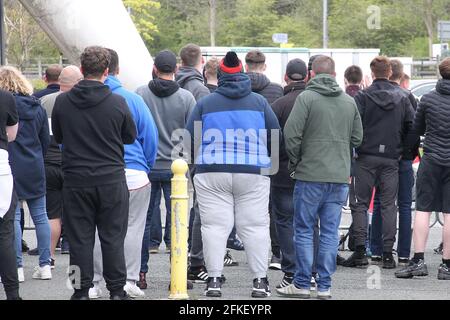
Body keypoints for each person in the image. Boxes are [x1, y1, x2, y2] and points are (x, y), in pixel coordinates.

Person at [186, 51, 280, 298]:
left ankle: (214, 280)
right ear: (242, 74)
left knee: (214, 227)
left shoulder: (205, 103)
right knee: (255, 226)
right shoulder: (259, 103)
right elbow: (276, 136)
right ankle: (260, 282)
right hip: (253, 171)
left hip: (212, 170)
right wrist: (270, 167)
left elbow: (189, 140)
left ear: (220, 76)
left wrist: (198, 165)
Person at [52, 46, 137, 300]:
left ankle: (80, 290)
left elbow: (59, 137)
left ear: (81, 70)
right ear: (107, 72)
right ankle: (117, 290)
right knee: (112, 238)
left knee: (79, 240)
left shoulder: (63, 102)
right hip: (110, 178)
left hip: (76, 179)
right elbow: (130, 136)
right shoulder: (117, 101)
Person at [279, 55, 363, 300]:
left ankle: (302, 283)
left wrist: (297, 161)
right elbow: (358, 138)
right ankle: (324, 286)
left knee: (304, 229)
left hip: (309, 175)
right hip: (338, 177)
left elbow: (291, 134)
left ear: (311, 75)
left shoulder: (306, 98)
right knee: (329, 231)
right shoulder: (349, 102)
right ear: (335, 75)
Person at [90, 49, 159, 299]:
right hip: (133, 171)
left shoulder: (81, 98)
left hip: (95, 171)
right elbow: (149, 138)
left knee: (99, 228)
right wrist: (145, 165)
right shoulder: (133, 99)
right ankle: (129, 279)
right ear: (116, 70)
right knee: (132, 228)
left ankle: (94, 282)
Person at [343, 56, 415, 269]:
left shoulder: (363, 97)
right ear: (390, 72)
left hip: (365, 156)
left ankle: (360, 250)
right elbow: (412, 127)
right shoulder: (402, 98)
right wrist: (403, 151)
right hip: (391, 158)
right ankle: (386, 254)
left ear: (372, 74)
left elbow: (353, 126)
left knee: (360, 203)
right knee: (388, 205)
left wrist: (357, 148)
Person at [136, 49, 196, 289]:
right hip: (177, 168)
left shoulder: (140, 94)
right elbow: (192, 135)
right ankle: (177, 274)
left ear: (154, 69)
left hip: (146, 166)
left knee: (143, 221)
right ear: (176, 70)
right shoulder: (186, 98)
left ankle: (140, 273)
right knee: (178, 220)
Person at [395, 57, 450, 281]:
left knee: (423, 209)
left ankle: (418, 261)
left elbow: (415, 131)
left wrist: (409, 154)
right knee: (449, 213)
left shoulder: (427, 99)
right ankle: (446, 266)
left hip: (431, 160)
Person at [0, 66, 51, 283]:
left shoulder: (5, 106)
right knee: (41, 216)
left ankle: (18, 267)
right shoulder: (37, 107)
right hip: (35, 164)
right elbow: (45, 140)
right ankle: (45, 264)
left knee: (15, 219)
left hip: (11, 165)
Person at [370, 60, 418, 267]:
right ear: (401, 75)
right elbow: (414, 128)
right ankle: (405, 253)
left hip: (382, 157)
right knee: (405, 205)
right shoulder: (407, 96)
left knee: (381, 201)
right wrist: (406, 152)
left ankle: (377, 250)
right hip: (403, 158)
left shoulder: (371, 95)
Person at [37, 66, 84, 268]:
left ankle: (49, 258)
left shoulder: (44, 102)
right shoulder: (81, 102)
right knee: (78, 212)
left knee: (52, 213)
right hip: (74, 162)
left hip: (49, 162)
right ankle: (72, 249)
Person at [270, 58, 308, 289]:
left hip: (282, 172)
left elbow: (271, 141)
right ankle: (310, 271)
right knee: (308, 221)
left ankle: (291, 270)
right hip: (310, 171)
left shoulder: (279, 105)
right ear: (307, 77)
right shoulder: (314, 102)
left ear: (286, 77)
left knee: (284, 221)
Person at [245, 49, 283, 270]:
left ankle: (244, 252)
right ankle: (276, 254)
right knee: (273, 206)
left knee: (243, 206)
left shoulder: (239, 89)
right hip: (270, 153)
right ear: (264, 65)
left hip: (244, 152)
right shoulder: (276, 89)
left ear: (245, 64)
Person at [0, 89, 21, 300]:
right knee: (4, 232)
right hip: (0, 162)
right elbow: (12, 135)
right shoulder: (6, 97)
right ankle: (12, 294)